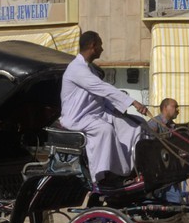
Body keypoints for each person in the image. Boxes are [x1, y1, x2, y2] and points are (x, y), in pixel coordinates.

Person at [59, 30, 149, 188]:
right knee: (105, 130)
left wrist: (118, 110)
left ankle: (131, 169)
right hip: (78, 118)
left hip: (97, 114)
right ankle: (104, 175)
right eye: (100, 45)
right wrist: (132, 102)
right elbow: (101, 88)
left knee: (136, 124)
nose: (102, 49)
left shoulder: (91, 69)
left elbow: (101, 98)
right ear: (93, 46)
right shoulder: (76, 69)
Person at [148, 98, 187, 203]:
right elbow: (148, 148)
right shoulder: (154, 123)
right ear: (165, 108)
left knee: (175, 202)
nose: (178, 110)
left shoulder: (173, 127)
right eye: (175, 107)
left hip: (171, 172)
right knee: (174, 201)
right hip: (159, 174)